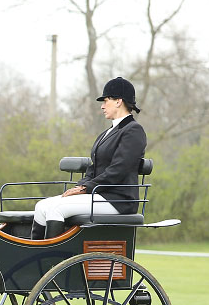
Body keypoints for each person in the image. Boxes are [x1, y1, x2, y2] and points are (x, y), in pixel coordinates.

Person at [31, 76, 147, 240]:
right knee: (42, 206)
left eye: (106, 100)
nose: (102, 106)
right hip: (98, 195)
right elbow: (93, 169)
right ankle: (36, 259)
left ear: (118, 101)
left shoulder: (133, 131)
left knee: (55, 209)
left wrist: (86, 188)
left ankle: (51, 261)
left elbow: (118, 170)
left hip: (118, 200)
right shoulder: (106, 133)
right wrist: (81, 186)